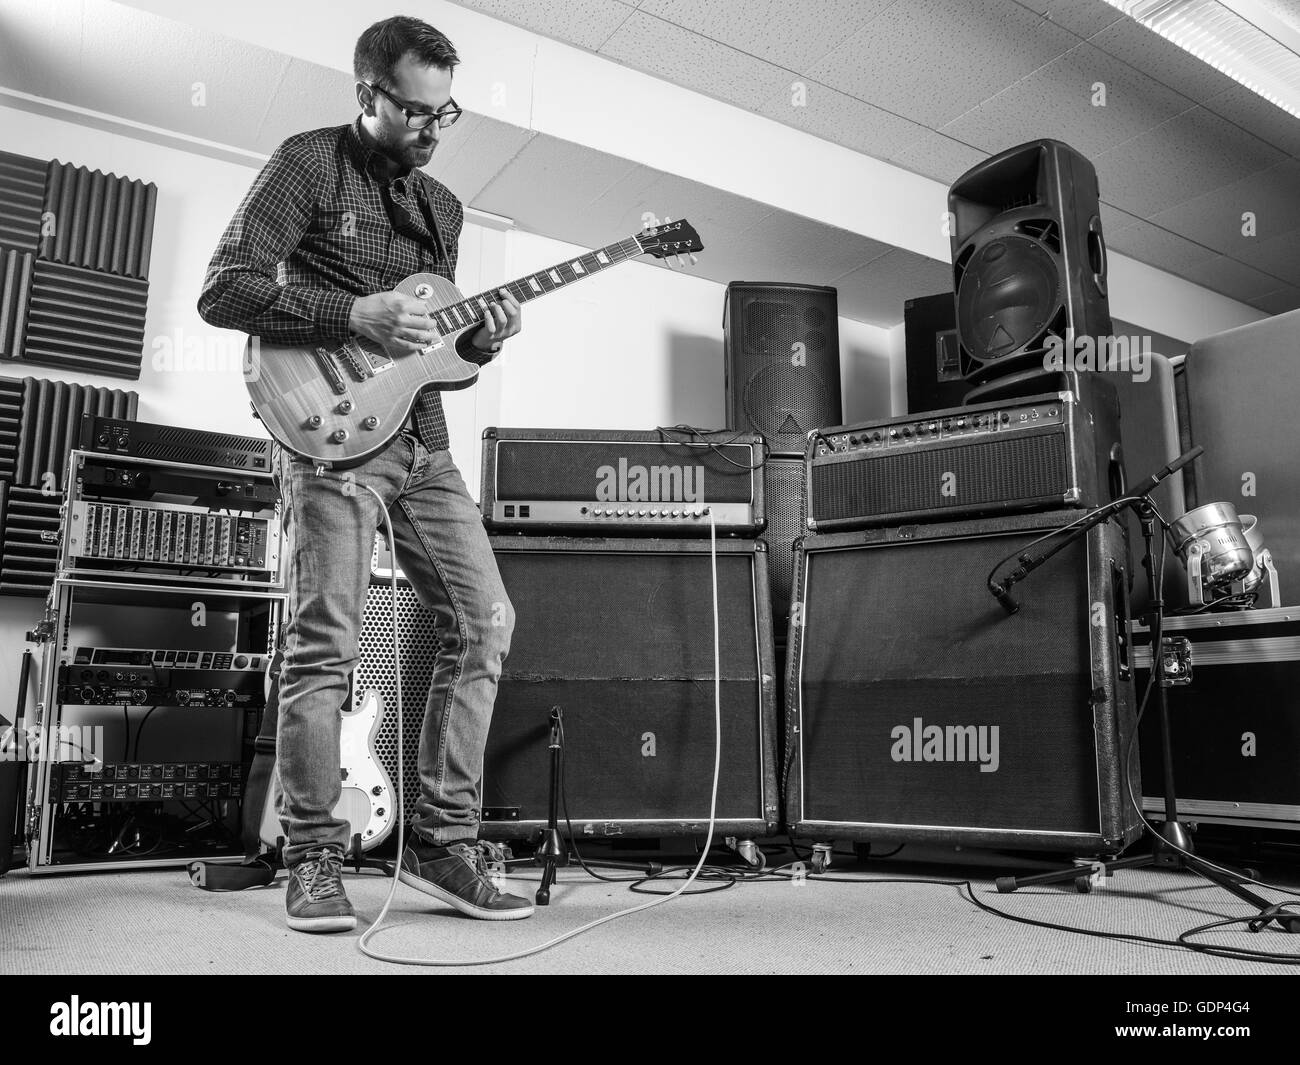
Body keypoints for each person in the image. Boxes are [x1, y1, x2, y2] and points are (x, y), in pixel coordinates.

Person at [199, 15, 533, 932]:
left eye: (446, 113)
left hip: (423, 440)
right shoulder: (305, 163)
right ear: (368, 95)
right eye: (417, 111)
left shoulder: (445, 209)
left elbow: (436, 345)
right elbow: (223, 286)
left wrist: (483, 339)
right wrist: (354, 313)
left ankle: (441, 841)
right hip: (326, 434)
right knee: (326, 646)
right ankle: (313, 853)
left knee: (487, 620)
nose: (432, 128)